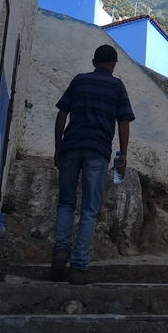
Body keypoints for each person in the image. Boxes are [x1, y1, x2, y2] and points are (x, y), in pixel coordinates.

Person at [49, 44, 135, 284]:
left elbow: (61, 114)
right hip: (97, 150)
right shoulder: (117, 86)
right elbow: (124, 121)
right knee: (88, 209)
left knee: (66, 202)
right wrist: (123, 154)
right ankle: (78, 267)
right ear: (113, 64)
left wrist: (58, 148)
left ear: (94, 61)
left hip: (71, 146)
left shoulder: (78, 80)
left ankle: (60, 251)